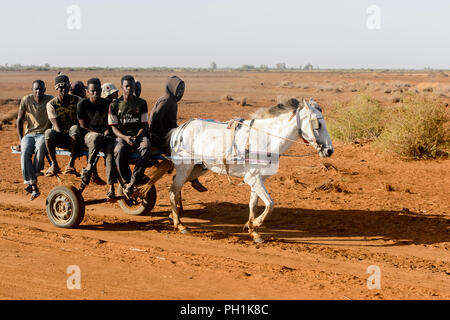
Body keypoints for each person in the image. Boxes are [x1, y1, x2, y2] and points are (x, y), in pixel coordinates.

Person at [149, 75, 207, 192]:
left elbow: (169, 122)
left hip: (169, 134)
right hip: (163, 136)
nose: (180, 92)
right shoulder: (167, 100)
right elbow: (155, 119)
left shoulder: (172, 101)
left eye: (182, 90)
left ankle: (191, 177)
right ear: (171, 88)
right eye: (178, 89)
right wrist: (163, 136)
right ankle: (192, 178)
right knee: (192, 150)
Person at [108, 75, 151, 196]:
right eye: (126, 86)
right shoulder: (114, 105)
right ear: (122, 87)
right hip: (122, 137)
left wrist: (137, 137)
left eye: (131, 86)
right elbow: (114, 127)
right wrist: (125, 138)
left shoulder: (142, 103)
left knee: (146, 146)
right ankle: (127, 181)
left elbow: (144, 124)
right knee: (119, 149)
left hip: (138, 136)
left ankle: (134, 180)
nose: (129, 89)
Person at [75, 78, 117, 199]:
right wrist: (99, 134)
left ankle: (111, 187)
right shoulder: (83, 104)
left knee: (110, 152)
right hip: (88, 136)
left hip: (104, 136)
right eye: (93, 91)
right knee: (95, 137)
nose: (96, 93)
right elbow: (82, 127)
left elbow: (109, 124)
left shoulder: (107, 104)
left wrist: (107, 132)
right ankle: (89, 167)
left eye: (98, 90)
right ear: (88, 91)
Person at [16, 80, 54, 200]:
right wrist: (21, 139)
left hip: (43, 133)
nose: (38, 92)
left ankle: (35, 176)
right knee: (25, 152)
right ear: (32, 90)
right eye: (36, 89)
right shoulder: (26, 100)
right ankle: (32, 184)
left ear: (45, 90)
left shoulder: (50, 100)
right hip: (29, 134)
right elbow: (19, 120)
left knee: (41, 146)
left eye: (41, 89)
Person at [44, 73, 82, 176]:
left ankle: (71, 163)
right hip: (60, 134)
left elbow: (81, 119)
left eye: (65, 86)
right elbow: (56, 126)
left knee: (74, 128)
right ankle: (54, 164)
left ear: (69, 87)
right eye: (61, 87)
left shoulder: (77, 100)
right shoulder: (51, 104)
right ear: (56, 88)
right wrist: (63, 134)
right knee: (48, 133)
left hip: (75, 136)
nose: (63, 89)